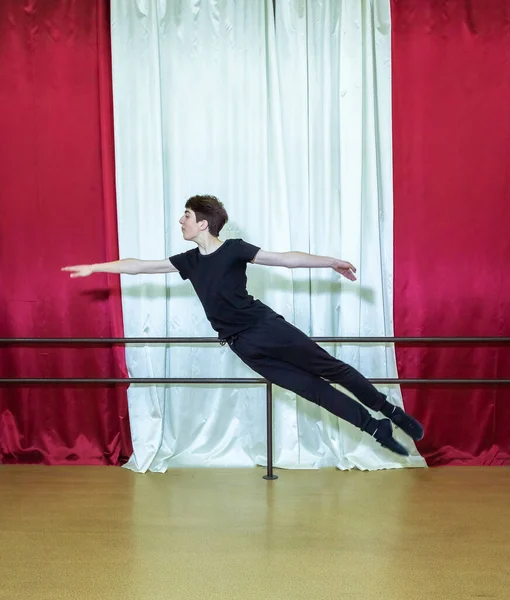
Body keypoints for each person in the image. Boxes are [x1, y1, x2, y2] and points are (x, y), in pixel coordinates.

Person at [62, 194, 424, 457]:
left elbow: (284, 259)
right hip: (242, 345)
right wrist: (97, 268)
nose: (181, 221)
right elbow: (140, 265)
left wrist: (331, 261)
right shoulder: (188, 261)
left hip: (266, 327)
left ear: (203, 223)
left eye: (186, 215)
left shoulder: (234, 249)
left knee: (332, 369)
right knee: (313, 390)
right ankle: (376, 428)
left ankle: (390, 411)